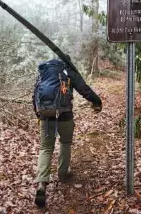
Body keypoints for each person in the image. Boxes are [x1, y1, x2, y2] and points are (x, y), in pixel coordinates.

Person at [32, 55, 102, 208]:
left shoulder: (44, 72)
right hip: (65, 115)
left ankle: (41, 184)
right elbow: (84, 89)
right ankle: (63, 173)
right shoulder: (68, 71)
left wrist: (39, 114)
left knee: (45, 148)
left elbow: (35, 95)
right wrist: (97, 101)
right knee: (65, 142)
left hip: (45, 116)